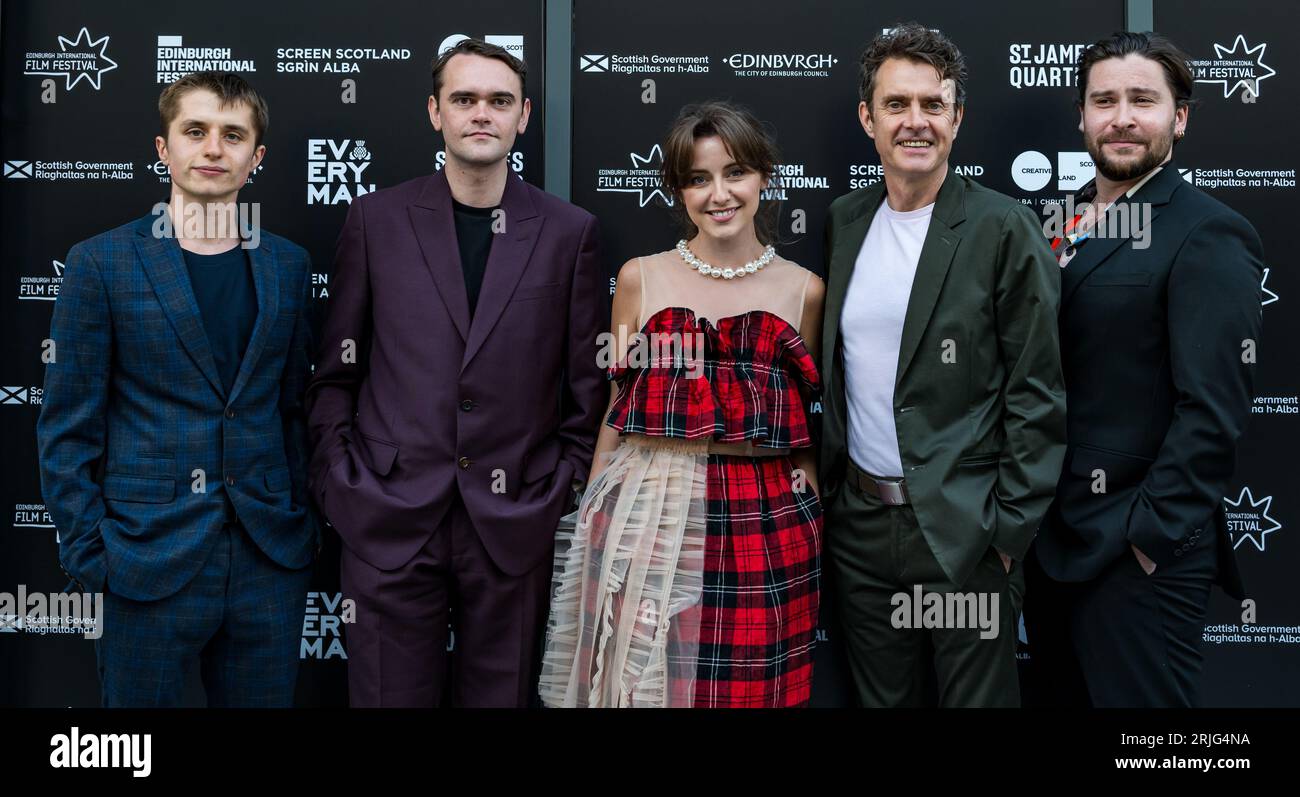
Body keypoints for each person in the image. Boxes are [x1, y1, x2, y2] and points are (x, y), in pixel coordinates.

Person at [305, 38, 608, 707]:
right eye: (464, 98)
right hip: (388, 517)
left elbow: (588, 393)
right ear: (434, 112)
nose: (482, 114)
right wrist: (341, 483)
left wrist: (556, 492)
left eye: (499, 101)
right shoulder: (376, 220)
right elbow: (335, 374)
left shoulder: (568, 233)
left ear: (523, 116)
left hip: (513, 523)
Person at [37, 71, 316, 706]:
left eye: (232, 135)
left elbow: (293, 405)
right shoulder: (101, 263)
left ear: (257, 157)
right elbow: (66, 425)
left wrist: (302, 523)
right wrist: (90, 552)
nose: (213, 148)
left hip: (268, 559)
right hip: (143, 559)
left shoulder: (288, 264)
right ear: (164, 149)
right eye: (195, 131)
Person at [540, 101, 826, 708]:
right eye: (698, 178)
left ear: (764, 177)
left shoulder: (806, 290)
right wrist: (596, 515)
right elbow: (616, 411)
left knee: (752, 692)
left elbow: (805, 434)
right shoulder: (640, 279)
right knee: (645, 689)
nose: (718, 193)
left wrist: (811, 514)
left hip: (764, 519)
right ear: (678, 190)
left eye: (735, 173)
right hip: (650, 512)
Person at [819, 22, 1067, 707]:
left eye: (933, 104)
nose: (915, 122)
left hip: (966, 534)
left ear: (958, 118)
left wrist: (1006, 536)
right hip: (861, 528)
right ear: (867, 117)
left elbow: (1037, 392)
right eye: (897, 105)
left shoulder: (1002, 227)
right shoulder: (844, 221)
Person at [1025, 31, 1263, 707]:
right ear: (1081, 115)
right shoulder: (1055, 222)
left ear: (1179, 117)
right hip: (1051, 543)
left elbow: (1213, 410)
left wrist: (1146, 539)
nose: (1121, 116)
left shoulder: (1207, 231)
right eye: (1103, 99)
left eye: (1141, 99)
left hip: (1136, 558)